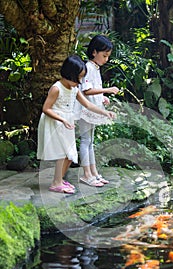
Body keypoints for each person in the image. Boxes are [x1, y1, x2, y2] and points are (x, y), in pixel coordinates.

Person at [37, 54, 115, 194]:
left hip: (67, 123)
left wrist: (105, 113)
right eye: (78, 78)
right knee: (62, 153)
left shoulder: (74, 89)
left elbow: (88, 105)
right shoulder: (57, 88)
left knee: (70, 154)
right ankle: (56, 183)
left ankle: (59, 179)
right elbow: (46, 108)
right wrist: (62, 120)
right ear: (68, 74)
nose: (79, 82)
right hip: (55, 122)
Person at [75, 34, 119, 187]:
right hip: (85, 111)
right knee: (86, 141)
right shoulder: (88, 67)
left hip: (93, 109)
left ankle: (93, 173)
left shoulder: (95, 67)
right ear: (94, 52)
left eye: (108, 56)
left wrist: (102, 98)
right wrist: (107, 90)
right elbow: (86, 90)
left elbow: (93, 90)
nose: (106, 59)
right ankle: (87, 174)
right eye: (104, 55)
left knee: (90, 142)